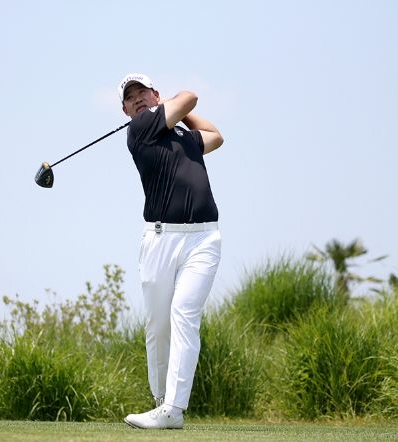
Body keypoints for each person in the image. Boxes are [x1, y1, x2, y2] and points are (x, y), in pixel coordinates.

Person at [117, 73, 224, 429]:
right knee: (159, 325)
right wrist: (167, 108)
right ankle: (160, 400)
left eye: (142, 92)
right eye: (130, 97)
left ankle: (173, 410)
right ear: (125, 111)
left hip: (202, 240)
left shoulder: (182, 135)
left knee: (183, 314)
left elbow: (215, 136)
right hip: (160, 240)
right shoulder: (140, 129)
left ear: (156, 94)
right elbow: (189, 96)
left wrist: (177, 115)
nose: (137, 99)